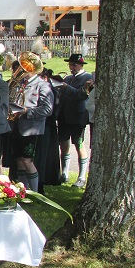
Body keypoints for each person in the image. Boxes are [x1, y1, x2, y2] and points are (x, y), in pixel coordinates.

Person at [9, 67, 53, 192]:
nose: (22, 71)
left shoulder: (42, 85)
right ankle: (24, 191)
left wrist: (27, 111)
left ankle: (34, 192)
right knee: (19, 160)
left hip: (31, 128)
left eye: (25, 68)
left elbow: (47, 109)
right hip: (16, 125)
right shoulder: (19, 83)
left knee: (27, 160)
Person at [57, 54, 93, 188]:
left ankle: (82, 176)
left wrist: (66, 87)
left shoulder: (88, 78)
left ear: (81, 65)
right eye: (70, 65)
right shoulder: (68, 77)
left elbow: (82, 95)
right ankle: (64, 173)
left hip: (78, 116)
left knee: (79, 144)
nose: (71, 67)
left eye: (74, 65)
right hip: (64, 115)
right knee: (63, 144)